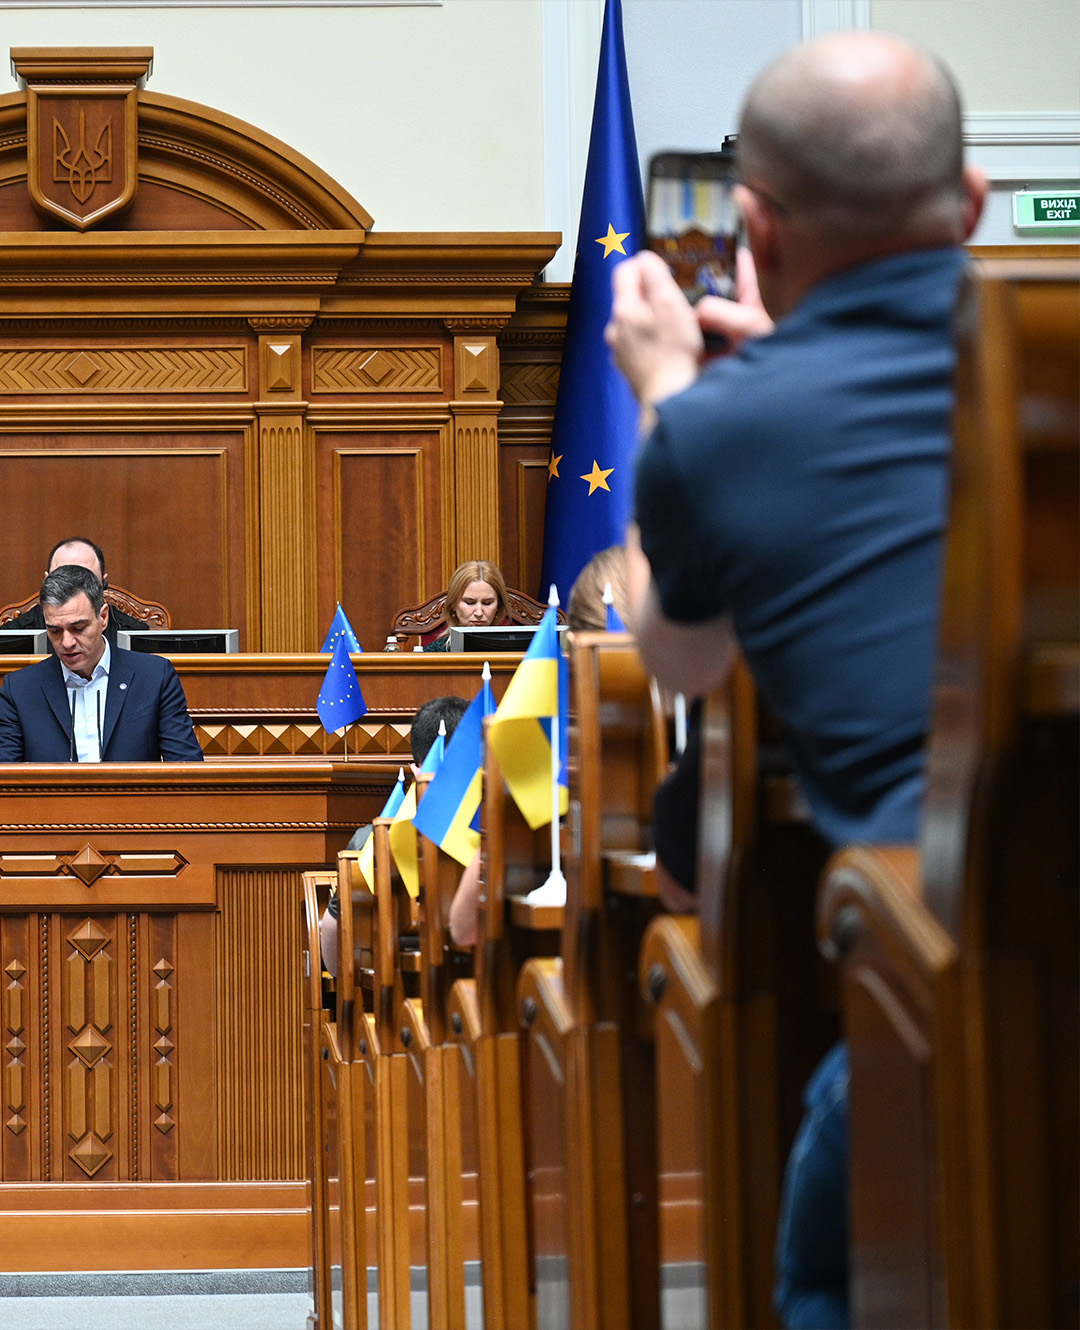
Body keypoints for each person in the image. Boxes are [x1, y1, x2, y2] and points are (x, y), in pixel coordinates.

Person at [605, 31, 985, 1330]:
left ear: (752, 230)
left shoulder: (724, 426)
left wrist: (667, 391)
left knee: (820, 1270)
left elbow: (682, 654)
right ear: (974, 203)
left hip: (948, 978)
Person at [0, 565, 201, 763]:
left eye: (78, 628)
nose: (67, 643)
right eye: (55, 631)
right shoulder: (19, 690)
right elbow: (6, 780)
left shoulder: (154, 677)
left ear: (103, 617)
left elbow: (187, 768)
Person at [319, 695, 468, 970]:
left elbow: (333, 938)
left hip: (396, 997)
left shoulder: (371, 842)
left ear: (415, 771)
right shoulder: (503, 830)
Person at [3, 537, 149, 635]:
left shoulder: (133, 633)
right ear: (46, 582)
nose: (73, 589)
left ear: (103, 584)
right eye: (63, 577)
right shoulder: (14, 633)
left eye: (86, 579)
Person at [421, 560, 512, 646]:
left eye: (487, 603)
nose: (479, 613)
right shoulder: (432, 655)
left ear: (498, 606)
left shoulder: (516, 653)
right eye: (469, 603)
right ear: (453, 603)